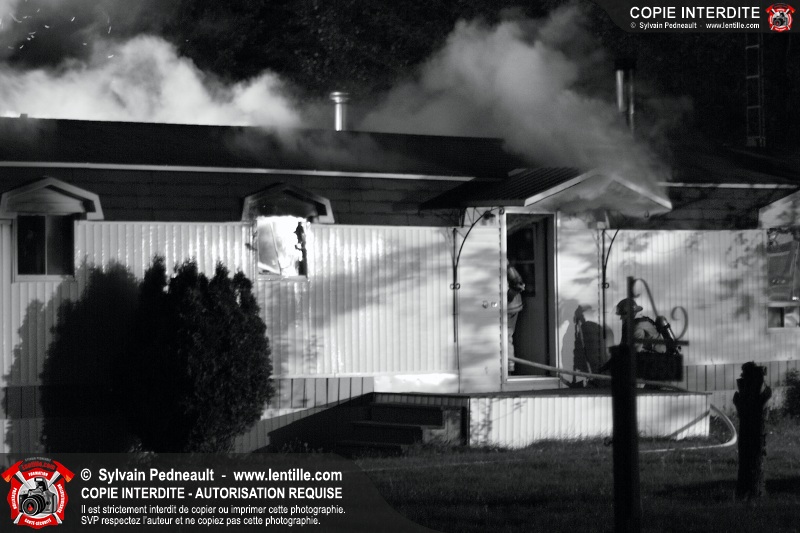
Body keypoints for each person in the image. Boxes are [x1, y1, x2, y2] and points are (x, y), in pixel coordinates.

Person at [507, 265, 525, 373]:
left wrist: (509, 296)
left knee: (506, 337)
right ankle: (508, 368)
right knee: (506, 337)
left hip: (510, 308)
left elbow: (518, 284)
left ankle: (509, 368)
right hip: (511, 307)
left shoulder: (506, 265)